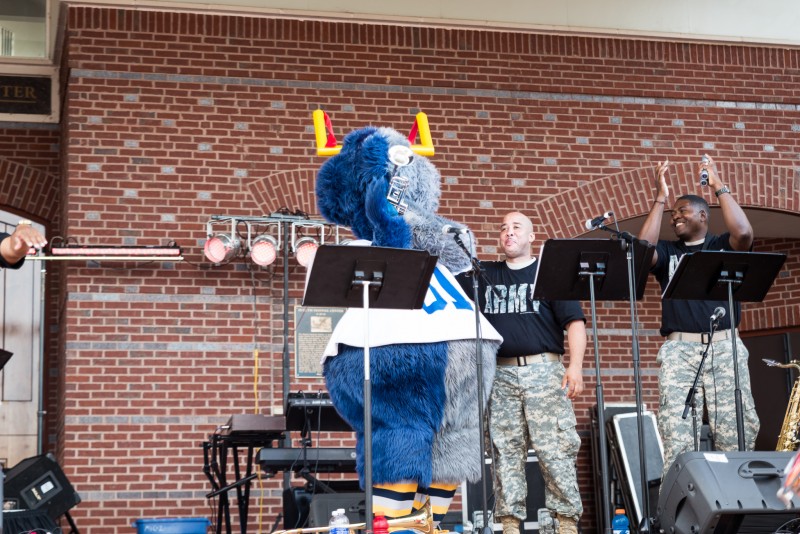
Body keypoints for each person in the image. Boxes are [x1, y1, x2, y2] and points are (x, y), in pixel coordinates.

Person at [457, 211, 586, 534]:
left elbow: (574, 323)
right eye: (503, 228)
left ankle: (566, 524)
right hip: (500, 376)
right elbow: (446, 275)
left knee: (555, 448)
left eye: (517, 227)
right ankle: (510, 525)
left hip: (544, 371)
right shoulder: (482, 274)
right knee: (505, 451)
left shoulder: (549, 274)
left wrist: (575, 366)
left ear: (531, 237)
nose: (509, 232)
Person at [638, 155, 759, 478]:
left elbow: (743, 233)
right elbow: (642, 251)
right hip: (680, 349)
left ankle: (738, 500)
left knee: (736, 433)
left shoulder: (722, 245)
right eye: (673, 214)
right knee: (677, 435)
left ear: (703, 215)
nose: (675, 217)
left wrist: (718, 185)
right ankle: (684, 504)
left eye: (682, 211)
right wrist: (661, 198)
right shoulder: (668, 252)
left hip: (724, 346)